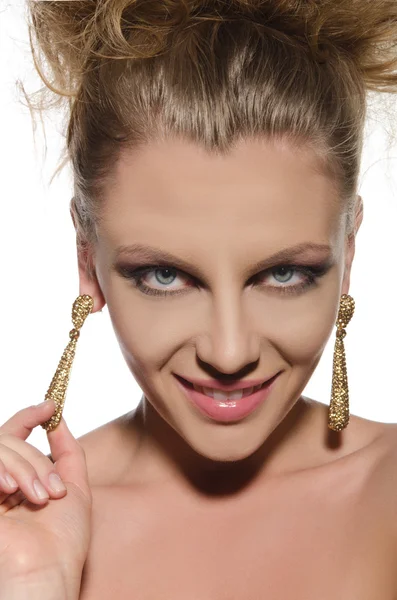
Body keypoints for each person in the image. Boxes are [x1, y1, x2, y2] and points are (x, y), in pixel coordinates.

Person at [1, 1, 397, 598]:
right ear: (89, 263)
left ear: (349, 255)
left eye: (285, 273)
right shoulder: (28, 527)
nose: (230, 351)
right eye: (165, 275)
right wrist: (33, 582)